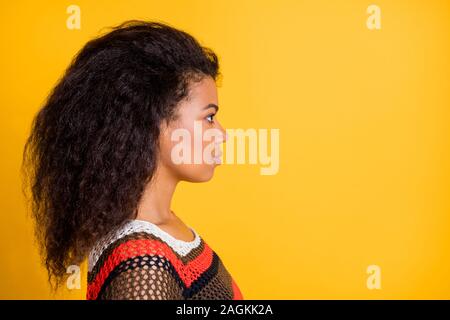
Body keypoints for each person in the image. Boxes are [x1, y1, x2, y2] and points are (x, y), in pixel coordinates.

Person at [22, 20, 243, 300]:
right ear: (152, 123)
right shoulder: (143, 263)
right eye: (209, 117)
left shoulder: (162, 230)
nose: (221, 134)